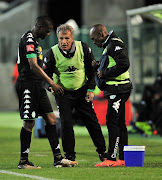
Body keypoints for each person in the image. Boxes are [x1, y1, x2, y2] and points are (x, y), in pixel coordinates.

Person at [16, 16, 77, 169]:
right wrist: (52, 83)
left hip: (37, 85)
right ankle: (23, 161)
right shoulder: (29, 39)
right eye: (48, 31)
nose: (48, 34)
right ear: (39, 26)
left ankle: (58, 159)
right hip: (27, 85)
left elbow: (40, 66)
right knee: (29, 122)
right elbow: (33, 66)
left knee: (51, 118)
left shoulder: (35, 42)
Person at [43, 24, 107, 163]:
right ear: (57, 38)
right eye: (61, 38)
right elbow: (44, 75)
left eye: (67, 38)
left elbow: (92, 72)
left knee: (92, 122)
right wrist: (50, 86)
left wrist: (90, 90)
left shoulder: (83, 48)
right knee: (66, 123)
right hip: (63, 93)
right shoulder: (52, 53)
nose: (63, 41)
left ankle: (103, 152)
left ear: (72, 38)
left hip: (82, 91)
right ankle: (69, 156)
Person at [89, 24, 133, 167]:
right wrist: (98, 66)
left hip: (118, 89)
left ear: (101, 34)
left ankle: (111, 158)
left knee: (112, 121)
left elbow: (124, 64)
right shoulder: (109, 45)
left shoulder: (114, 44)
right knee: (120, 123)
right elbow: (113, 63)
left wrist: (104, 73)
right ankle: (123, 158)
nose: (93, 42)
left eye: (94, 38)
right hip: (116, 89)